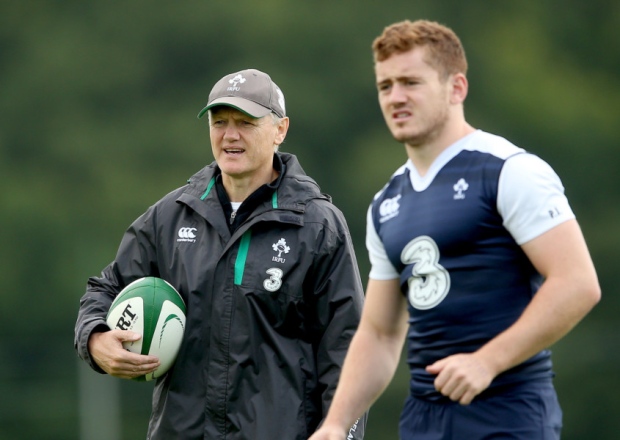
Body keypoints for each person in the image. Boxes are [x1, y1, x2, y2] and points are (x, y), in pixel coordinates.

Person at [309, 19, 601, 440]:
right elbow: (380, 331)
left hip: (508, 416)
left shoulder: (508, 171)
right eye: (385, 85)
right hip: (424, 421)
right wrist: (336, 424)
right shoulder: (387, 203)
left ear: (456, 88)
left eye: (411, 82)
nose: (396, 97)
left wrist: (487, 361)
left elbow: (577, 283)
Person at [75, 68, 366, 440]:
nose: (230, 135)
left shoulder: (318, 225)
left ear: (281, 130)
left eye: (245, 122)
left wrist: (341, 432)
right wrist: (96, 340)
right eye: (219, 122)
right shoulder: (169, 216)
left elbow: (349, 349)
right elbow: (105, 290)